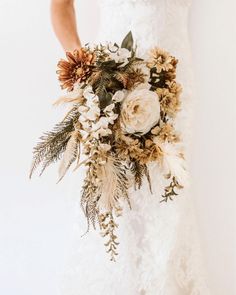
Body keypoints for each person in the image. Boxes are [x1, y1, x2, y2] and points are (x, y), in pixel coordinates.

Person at [50, 0, 210, 294]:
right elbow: (61, 5)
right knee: (114, 199)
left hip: (175, 87)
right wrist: (84, 68)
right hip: (114, 79)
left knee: (168, 199)